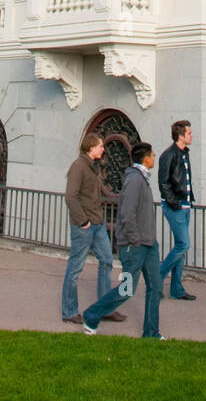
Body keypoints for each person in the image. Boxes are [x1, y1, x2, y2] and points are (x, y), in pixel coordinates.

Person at [80, 142, 166, 339]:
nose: (154, 157)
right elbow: (127, 214)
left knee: (155, 286)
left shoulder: (142, 179)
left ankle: (151, 333)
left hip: (149, 244)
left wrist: (148, 240)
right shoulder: (135, 180)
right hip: (134, 247)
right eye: (152, 155)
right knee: (126, 289)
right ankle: (91, 316)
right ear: (145, 158)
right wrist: (135, 240)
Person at [61, 134, 126, 325]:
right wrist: (83, 221)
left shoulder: (94, 167)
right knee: (75, 268)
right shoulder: (78, 167)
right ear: (91, 148)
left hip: (97, 224)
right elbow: (70, 196)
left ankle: (104, 308)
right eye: (100, 146)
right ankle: (69, 311)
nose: (103, 149)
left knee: (107, 260)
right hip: (84, 226)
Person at [158, 120, 197, 300]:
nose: (191, 135)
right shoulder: (168, 155)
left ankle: (176, 290)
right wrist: (175, 203)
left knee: (180, 249)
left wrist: (187, 202)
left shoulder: (184, 154)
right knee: (183, 245)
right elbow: (163, 183)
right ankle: (156, 277)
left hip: (185, 205)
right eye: (189, 133)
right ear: (180, 136)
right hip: (176, 206)